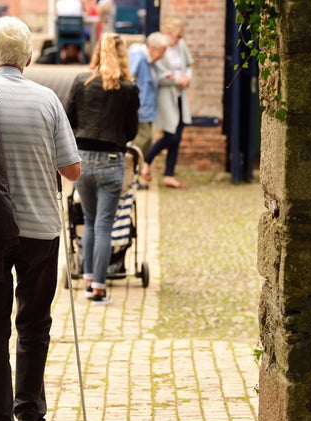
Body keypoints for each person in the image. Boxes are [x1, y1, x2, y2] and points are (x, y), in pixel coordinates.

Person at [0, 16, 81, 421]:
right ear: (30, 58)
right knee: (34, 325)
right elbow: (71, 170)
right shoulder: (47, 99)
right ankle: (30, 415)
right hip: (39, 229)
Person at [66, 32, 139, 305]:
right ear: (123, 56)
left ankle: (87, 278)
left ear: (97, 52)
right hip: (111, 161)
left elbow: (69, 119)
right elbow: (131, 129)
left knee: (89, 220)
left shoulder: (81, 82)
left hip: (82, 160)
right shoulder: (128, 89)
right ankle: (98, 288)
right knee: (104, 223)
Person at [140, 16, 194, 189]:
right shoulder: (160, 48)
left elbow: (189, 65)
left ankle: (169, 175)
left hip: (180, 95)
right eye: (176, 37)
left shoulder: (181, 46)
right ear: (168, 33)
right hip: (166, 96)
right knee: (171, 135)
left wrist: (186, 77)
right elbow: (159, 78)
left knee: (178, 136)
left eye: (180, 37)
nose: (178, 40)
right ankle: (146, 161)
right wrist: (177, 80)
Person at [127, 31, 169, 188]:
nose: (163, 56)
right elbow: (129, 79)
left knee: (146, 141)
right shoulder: (138, 56)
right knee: (140, 143)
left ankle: (134, 177)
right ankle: (131, 178)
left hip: (147, 110)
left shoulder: (151, 61)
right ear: (152, 47)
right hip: (139, 110)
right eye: (162, 51)